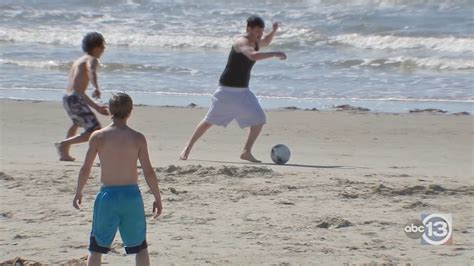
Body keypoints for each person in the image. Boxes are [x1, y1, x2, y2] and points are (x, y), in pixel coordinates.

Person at [180, 15, 287, 163]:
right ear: (248, 28)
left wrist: (274, 30)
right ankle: (187, 147)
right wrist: (275, 53)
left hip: (243, 92)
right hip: (226, 91)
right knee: (208, 121)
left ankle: (246, 151)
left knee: (260, 120)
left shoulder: (256, 42)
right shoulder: (241, 42)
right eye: (257, 32)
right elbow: (253, 56)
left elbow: (266, 41)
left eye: (261, 32)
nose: (259, 35)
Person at [72, 93, 163, 266]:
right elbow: (148, 171)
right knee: (140, 247)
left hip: (108, 197)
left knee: (97, 248)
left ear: (109, 110)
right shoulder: (137, 138)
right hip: (132, 198)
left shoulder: (98, 137)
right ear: (131, 111)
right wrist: (157, 197)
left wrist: (78, 191)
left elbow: (86, 168)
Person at [55, 32, 109, 161]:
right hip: (75, 99)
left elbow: (80, 92)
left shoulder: (78, 60)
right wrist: (96, 86)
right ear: (96, 47)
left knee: (76, 123)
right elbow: (91, 71)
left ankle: (64, 153)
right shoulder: (92, 59)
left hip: (67, 97)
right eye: (103, 46)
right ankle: (64, 144)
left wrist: (97, 107)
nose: (104, 50)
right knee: (95, 130)